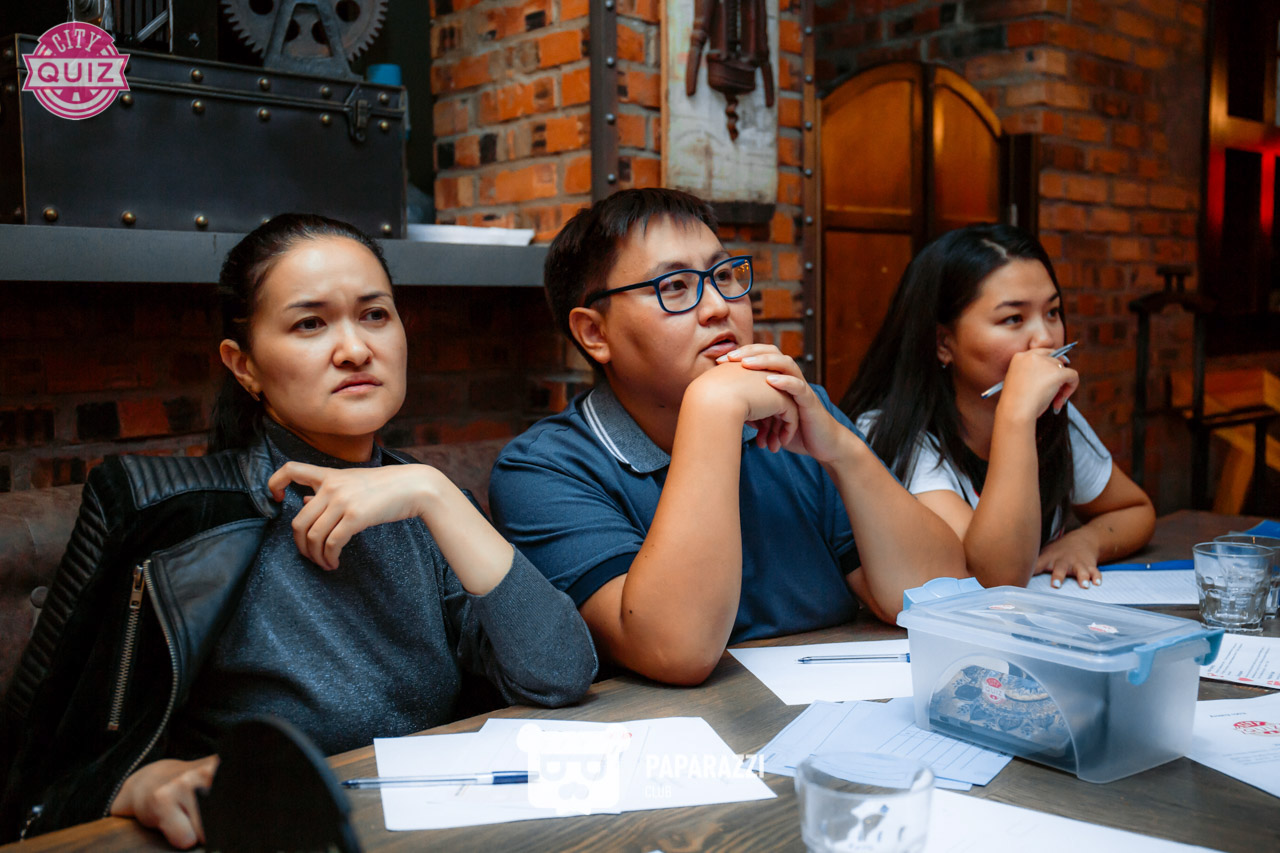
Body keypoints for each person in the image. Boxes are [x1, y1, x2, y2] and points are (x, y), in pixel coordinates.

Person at [0, 214, 597, 848]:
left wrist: (434, 492)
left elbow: (560, 673)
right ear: (244, 365)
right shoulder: (177, 518)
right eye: (310, 323)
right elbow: (40, 771)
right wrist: (138, 783)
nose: (355, 349)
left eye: (375, 315)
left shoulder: (423, 502)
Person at [489, 188, 965, 687]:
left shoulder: (795, 415)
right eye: (674, 286)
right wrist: (711, 410)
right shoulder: (543, 470)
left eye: (722, 276)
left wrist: (842, 451)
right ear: (595, 334)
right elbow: (677, 649)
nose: (718, 306)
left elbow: (938, 597)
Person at [841, 223, 1155, 590]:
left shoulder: (1051, 416)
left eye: (1052, 312)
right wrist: (1016, 416)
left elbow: (1134, 510)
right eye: (1013, 319)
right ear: (943, 343)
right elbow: (991, 577)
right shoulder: (898, 436)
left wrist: (1086, 540)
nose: (1045, 339)